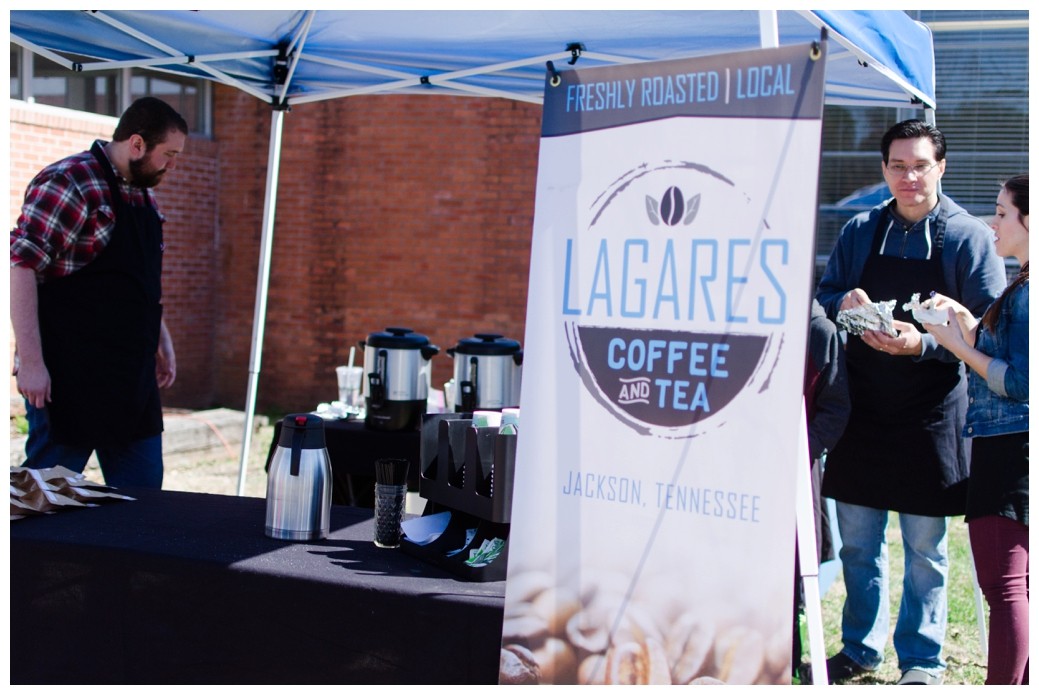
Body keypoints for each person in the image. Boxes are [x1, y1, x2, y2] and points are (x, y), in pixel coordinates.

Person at [814, 119, 1007, 685]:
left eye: (920, 166)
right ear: (884, 169)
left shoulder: (968, 238)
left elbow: (988, 329)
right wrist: (843, 303)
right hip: (861, 410)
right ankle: (860, 648)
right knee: (857, 546)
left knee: (925, 551)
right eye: (898, 166)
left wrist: (920, 343)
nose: (909, 177)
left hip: (931, 413)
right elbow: (825, 297)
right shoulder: (860, 230)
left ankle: (922, 660)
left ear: (940, 167)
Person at [10, 96, 189, 489]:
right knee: (45, 497)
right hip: (69, 377)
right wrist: (33, 363)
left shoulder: (142, 192)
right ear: (137, 144)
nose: (172, 166)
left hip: (132, 378)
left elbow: (138, 280)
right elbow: (22, 266)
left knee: (143, 504)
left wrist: (161, 338)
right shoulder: (70, 181)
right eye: (169, 155)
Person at [922, 174, 1028, 685]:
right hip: (1011, 446)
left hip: (1009, 451)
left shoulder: (1028, 293)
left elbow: (1022, 382)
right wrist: (968, 321)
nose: (993, 224)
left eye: (1003, 213)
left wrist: (958, 346)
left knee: (1005, 589)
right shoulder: (1021, 285)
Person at [793, 298, 850, 681]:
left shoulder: (819, 332)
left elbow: (835, 406)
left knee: (792, 568)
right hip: (746, 468)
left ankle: (786, 657)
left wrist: (801, 451)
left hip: (798, 468)